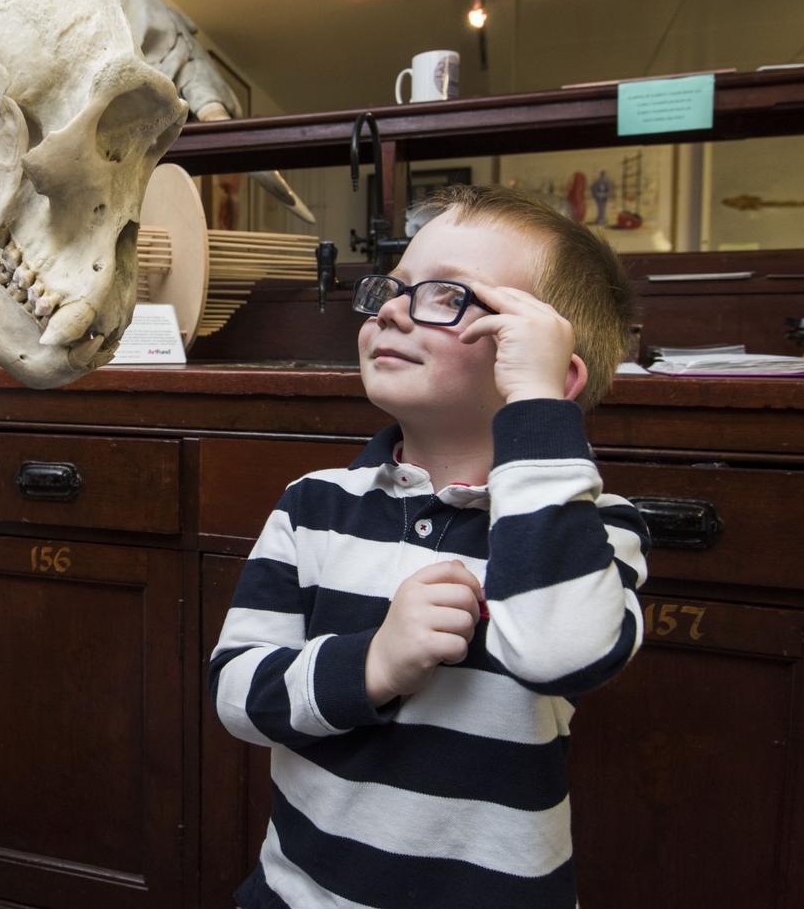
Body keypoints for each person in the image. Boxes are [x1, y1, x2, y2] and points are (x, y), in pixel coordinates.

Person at [209, 184, 650, 909]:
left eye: (449, 296)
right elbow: (235, 694)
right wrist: (372, 664)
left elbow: (558, 653)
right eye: (394, 286)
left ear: (543, 369)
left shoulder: (590, 530)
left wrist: (538, 410)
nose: (389, 310)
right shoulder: (314, 505)